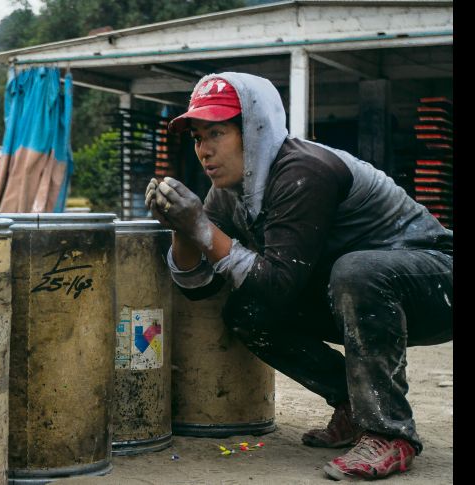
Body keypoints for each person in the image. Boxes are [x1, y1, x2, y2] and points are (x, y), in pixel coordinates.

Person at [145, 72, 453, 481]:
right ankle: (350, 405)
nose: (204, 150)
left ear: (253, 129)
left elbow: (276, 285)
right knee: (246, 311)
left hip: (435, 282)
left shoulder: (303, 171)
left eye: (216, 133)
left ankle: (388, 432)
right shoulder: (228, 192)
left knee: (356, 270)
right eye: (198, 137)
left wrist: (203, 228)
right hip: (361, 292)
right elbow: (202, 289)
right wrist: (182, 229)